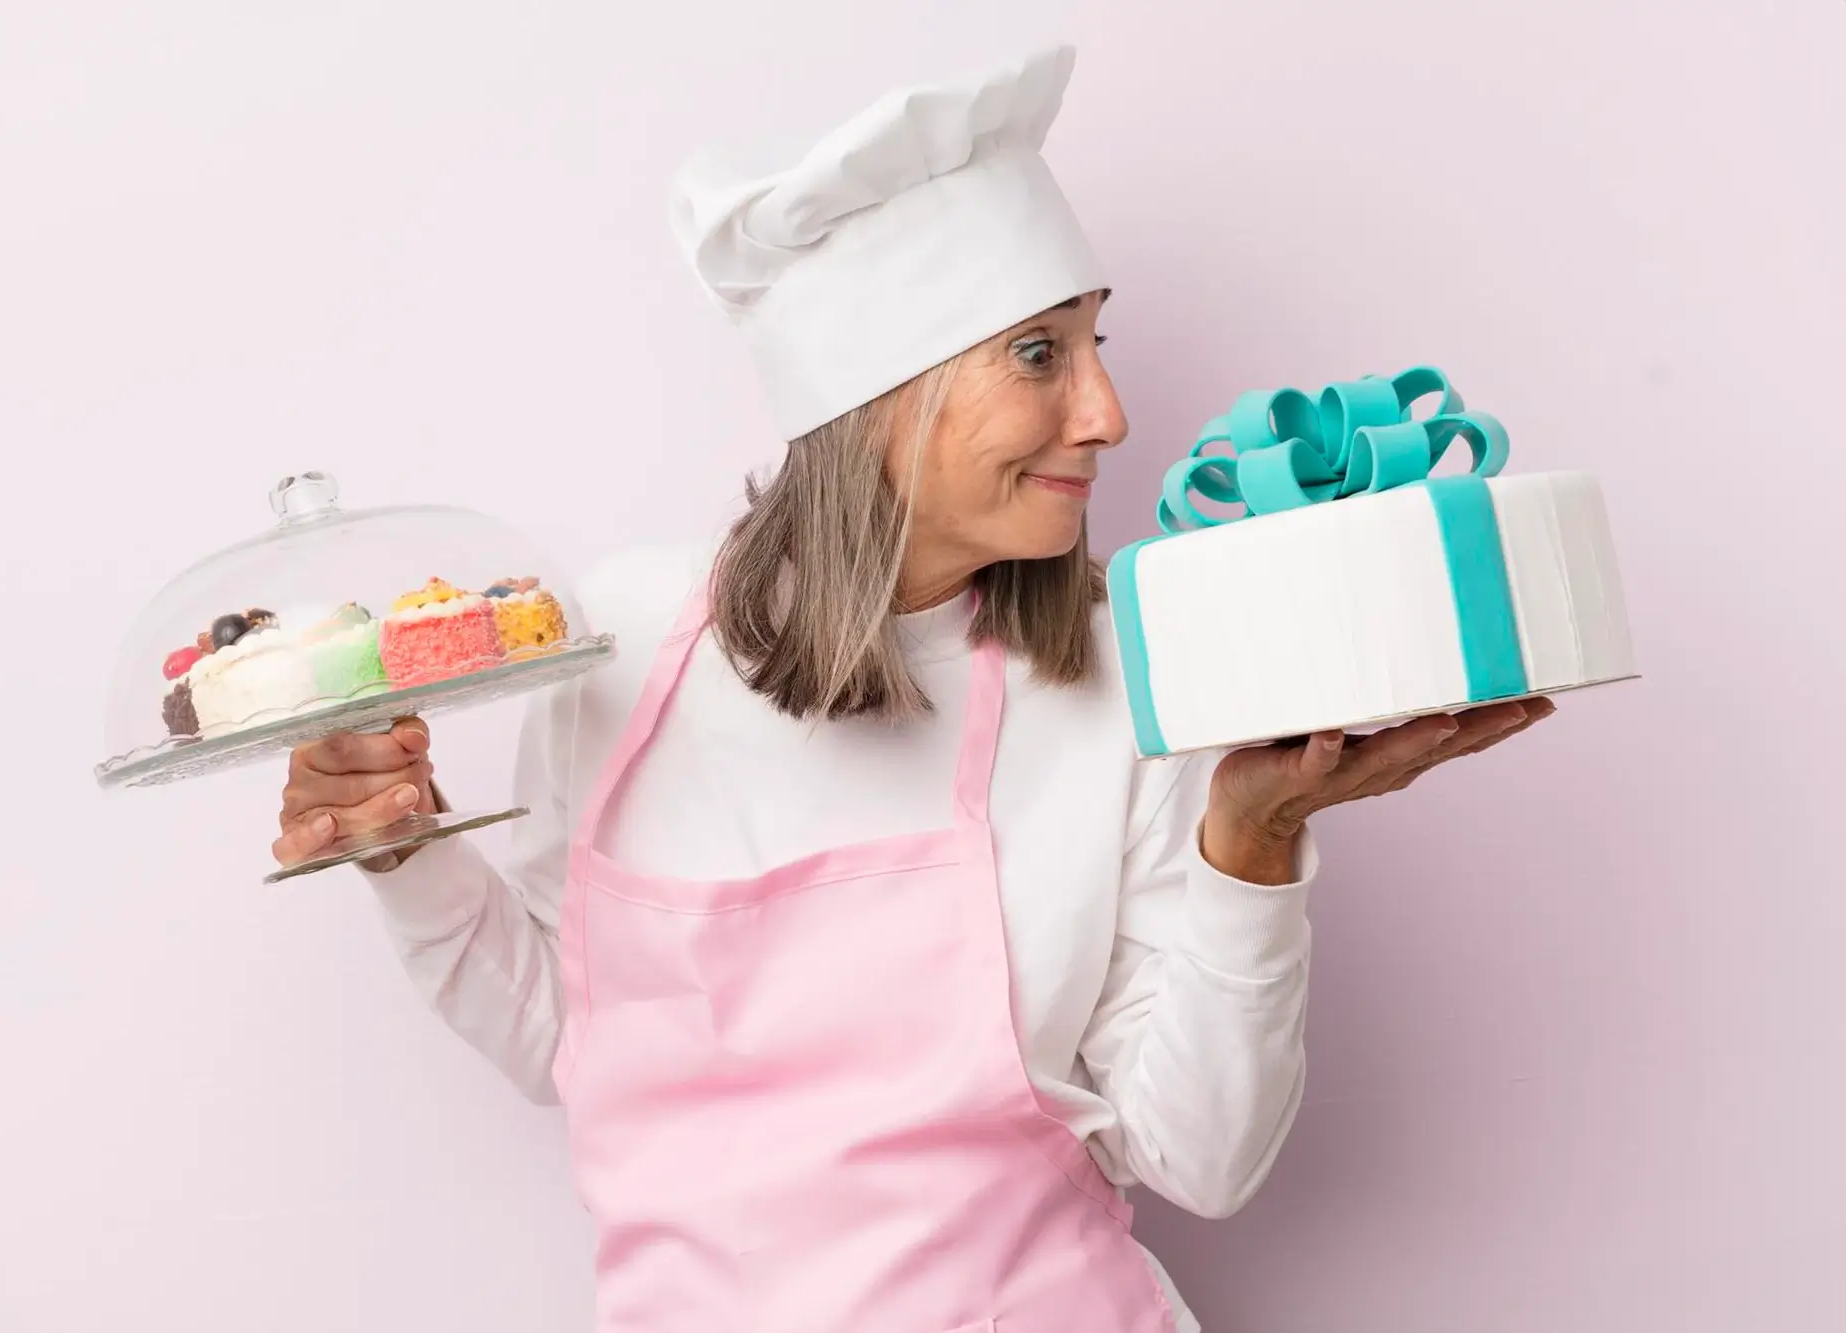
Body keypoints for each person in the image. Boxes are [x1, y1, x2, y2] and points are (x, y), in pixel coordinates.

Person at [271, 44, 1551, 1333]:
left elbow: (1205, 1160)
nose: (1108, 411)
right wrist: (404, 852)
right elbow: (568, 1037)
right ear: (878, 401)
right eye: (1041, 356)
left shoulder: (1131, 672)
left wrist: (1253, 841)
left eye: (1095, 344)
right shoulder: (623, 635)